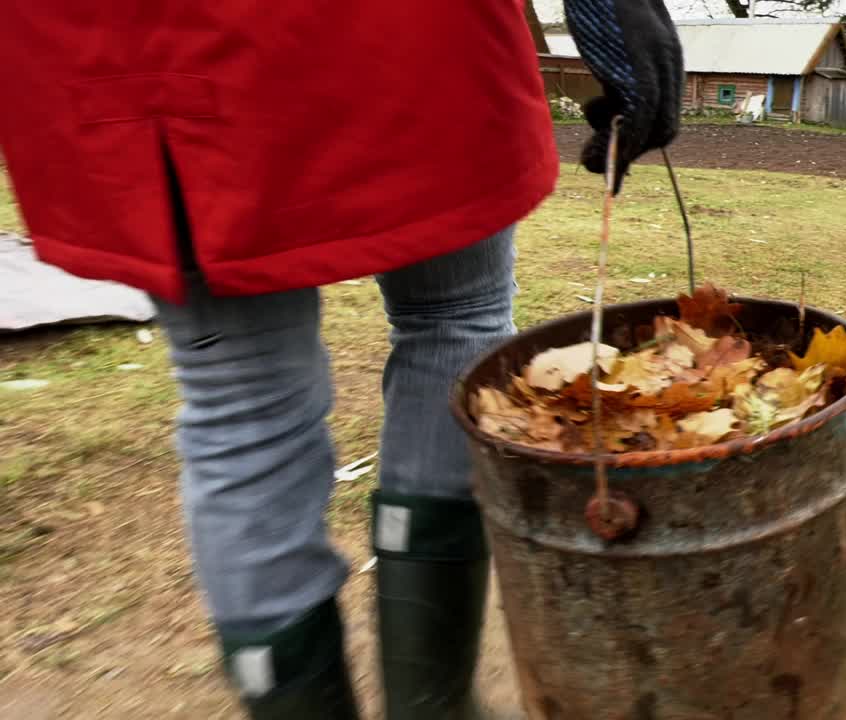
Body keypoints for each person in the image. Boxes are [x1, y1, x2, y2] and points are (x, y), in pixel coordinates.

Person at [0, 1, 682, 718]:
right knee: (453, 320)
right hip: (385, 32)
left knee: (244, 407)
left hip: (126, 44)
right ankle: (435, 706)